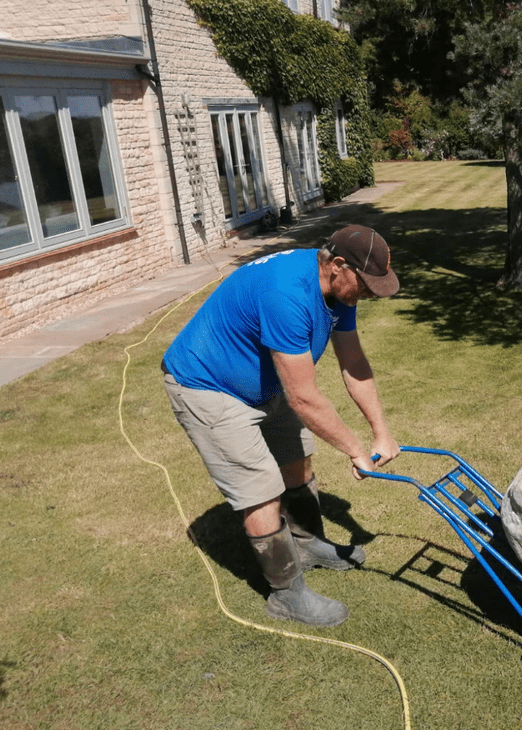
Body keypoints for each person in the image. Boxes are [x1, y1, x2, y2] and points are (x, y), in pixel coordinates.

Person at [162, 225, 401, 628]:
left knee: (297, 461)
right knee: (260, 490)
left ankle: (308, 544)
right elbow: (304, 398)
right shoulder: (286, 292)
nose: (371, 294)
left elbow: (353, 363)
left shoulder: (340, 291)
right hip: (207, 385)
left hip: (264, 384)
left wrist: (381, 430)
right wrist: (355, 448)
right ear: (338, 265)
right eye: (367, 285)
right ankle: (286, 595)